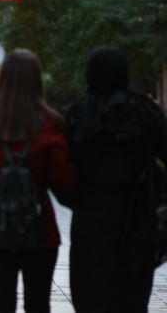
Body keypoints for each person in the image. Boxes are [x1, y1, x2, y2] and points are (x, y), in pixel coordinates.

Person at [0, 49, 76, 313]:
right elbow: (65, 180)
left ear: (2, 79)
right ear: (38, 81)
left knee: (1, 304)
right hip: (39, 229)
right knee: (38, 304)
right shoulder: (51, 125)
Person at [65, 47, 167, 313]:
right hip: (138, 216)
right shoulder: (145, 112)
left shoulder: (79, 114)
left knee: (91, 296)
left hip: (91, 219)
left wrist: (76, 198)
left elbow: (63, 168)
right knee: (132, 297)